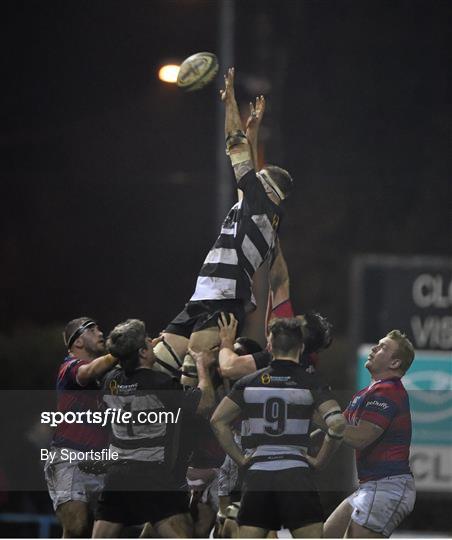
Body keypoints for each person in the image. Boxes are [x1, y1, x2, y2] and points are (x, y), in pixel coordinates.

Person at [156, 67, 293, 386]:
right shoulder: (265, 216)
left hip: (224, 300)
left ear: (266, 190)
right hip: (206, 295)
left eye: (258, 180)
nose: (251, 180)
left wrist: (230, 101)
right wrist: (254, 131)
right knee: (160, 363)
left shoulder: (259, 206)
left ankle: (191, 429)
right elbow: (247, 176)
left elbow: (234, 146)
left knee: (194, 373)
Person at [211, 317, 345, 538]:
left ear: (271, 345)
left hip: (258, 476)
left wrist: (241, 459)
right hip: (296, 474)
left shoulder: (248, 383)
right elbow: (337, 423)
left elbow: (218, 421)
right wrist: (321, 460)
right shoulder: (310, 382)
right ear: (301, 347)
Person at [92, 319, 215, 538]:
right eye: (148, 341)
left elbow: (127, 374)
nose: (152, 341)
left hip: (117, 476)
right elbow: (205, 403)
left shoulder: (109, 380)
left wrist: (138, 351)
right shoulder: (160, 383)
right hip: (153, 476)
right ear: (142, 352)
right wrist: (202, 367)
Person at [321, 330, 416, 538]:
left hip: (386, 488)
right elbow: (333, 429)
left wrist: (315, 408)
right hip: (370, 488)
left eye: (383, 347)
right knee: (325, 536)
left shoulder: (388, 391)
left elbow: (360, 438)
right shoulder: (364, 394)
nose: (374, 349)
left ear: (394, 363)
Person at [44, 317, 117, 538]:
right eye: (92, 329)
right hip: (69, 458)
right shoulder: (70, 368)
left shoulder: (108, 376)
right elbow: (88, 372)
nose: (100, 332)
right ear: (77, 342)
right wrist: (121, 352)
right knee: (77, 527)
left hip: (103, 462)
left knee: (103, 531)